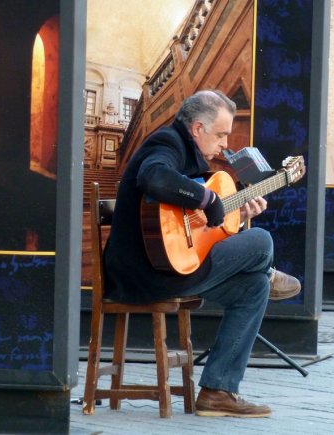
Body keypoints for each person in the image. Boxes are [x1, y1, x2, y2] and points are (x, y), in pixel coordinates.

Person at [103, 89, 301, 418]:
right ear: (197, 128)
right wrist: (207, 200)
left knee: (254, 287)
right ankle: (266, 268)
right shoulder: (166, 142)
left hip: (174, 267)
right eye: (221, 134)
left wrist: (237, 212)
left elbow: (204, 232)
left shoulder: (192, 157)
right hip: (147, 272)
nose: (225, 143)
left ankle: (217, 391)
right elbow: (154, 177)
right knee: (262, 242)